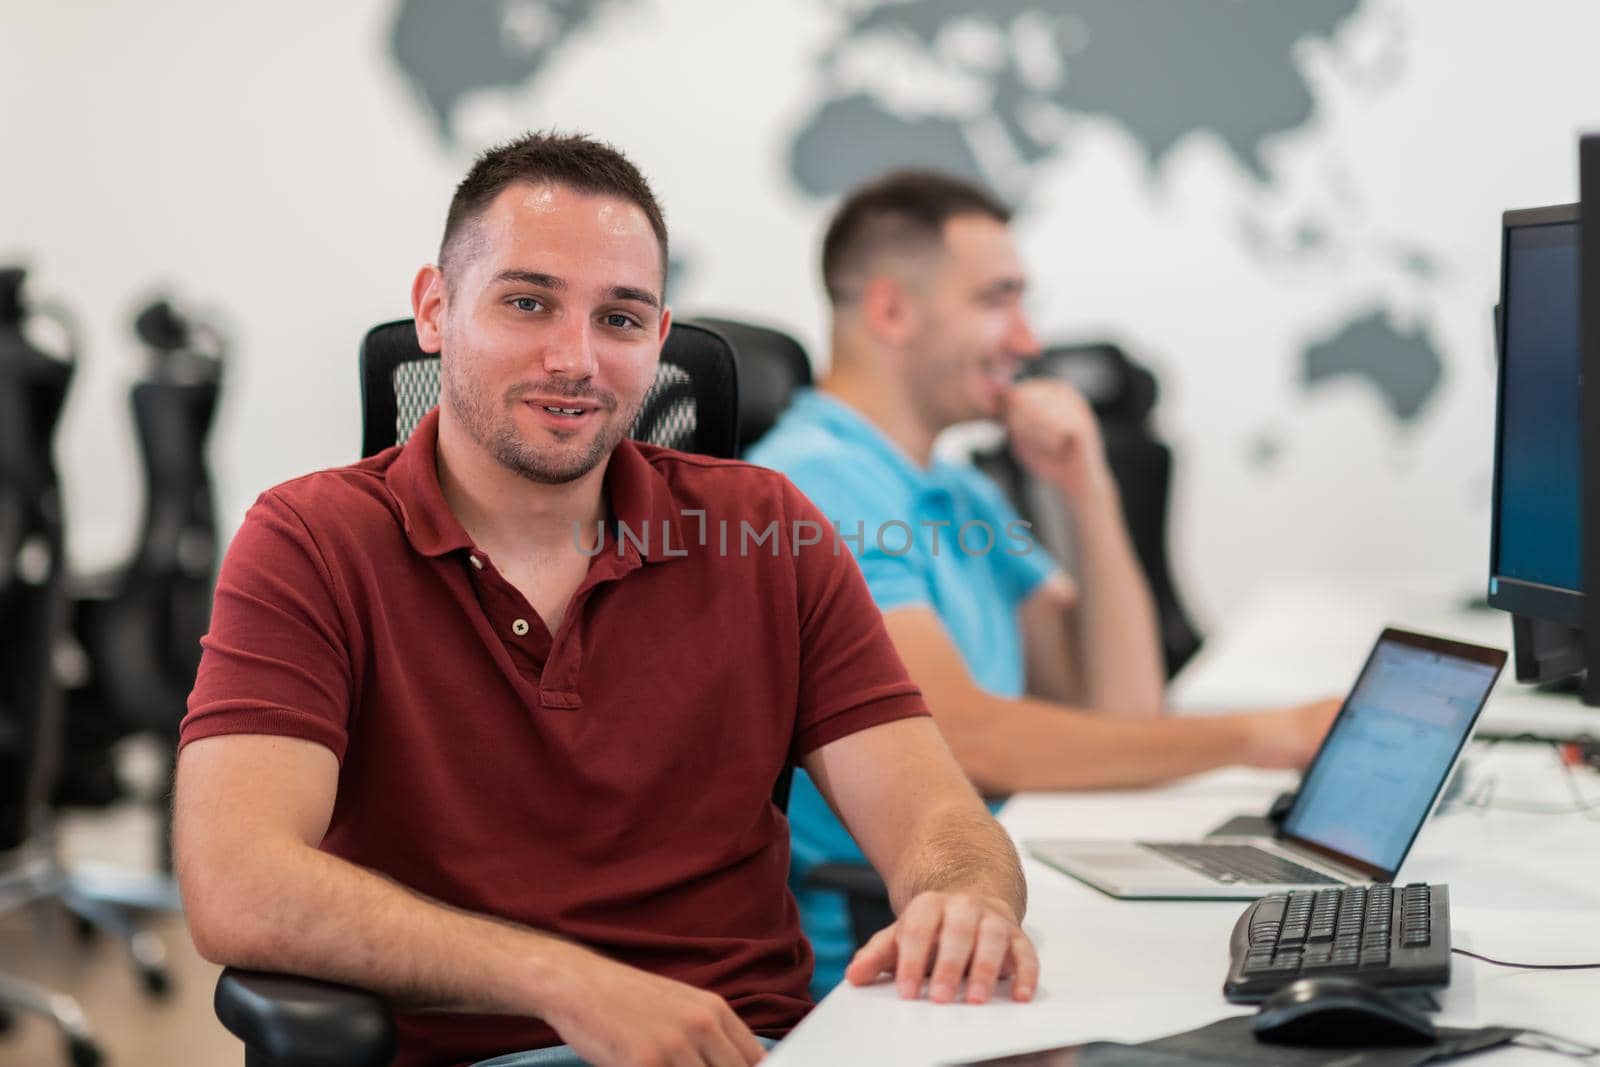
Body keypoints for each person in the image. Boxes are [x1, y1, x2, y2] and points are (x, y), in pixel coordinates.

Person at [173, 136, 1040, 1067]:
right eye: (527, 302)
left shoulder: (767, 529)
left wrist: (964, 900)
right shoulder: (310, 540)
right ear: (435, 310)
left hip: (747, 1049)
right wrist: (567, 980)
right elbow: (238, 882)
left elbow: (938, 819)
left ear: (659, 342)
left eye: (620, 320)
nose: (574, 358)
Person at [746, 170, 1340, 997]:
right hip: (887, 961)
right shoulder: (815, 485)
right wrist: (1261, 735)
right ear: (891, 311)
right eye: (998, 299)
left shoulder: (957, 489)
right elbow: (966, 740)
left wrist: (1085, 489)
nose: (1027, 341)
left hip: (990, 908)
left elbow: (1120, 707)